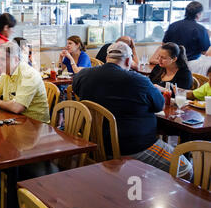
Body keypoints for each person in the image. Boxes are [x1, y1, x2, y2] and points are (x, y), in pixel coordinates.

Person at [73, 42, 192, 178]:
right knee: (186, 169)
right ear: (129, 60)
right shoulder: (138, 81)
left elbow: (75, 90)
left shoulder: (83, 75)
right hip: (133, 147)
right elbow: (159, 105)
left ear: (107, 58)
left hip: (94, 143)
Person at [0, 41, 50, 199]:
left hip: (34, 128)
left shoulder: (28, 75)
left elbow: (17, 107)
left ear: (17, 60)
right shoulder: (6, 74)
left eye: (3, 60)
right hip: (16, 121)